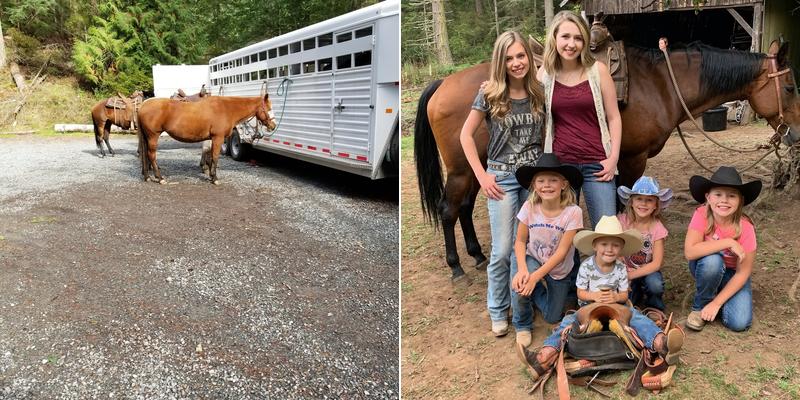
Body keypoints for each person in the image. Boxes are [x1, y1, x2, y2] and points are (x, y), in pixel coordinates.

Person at [516, 216, 683, 382]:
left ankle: (662, 343)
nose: (609, 249)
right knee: (568, 322)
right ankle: (544, 358)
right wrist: (594, 296)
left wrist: (615, 296)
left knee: (637, 317)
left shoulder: (620, 268)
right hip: (588, 307)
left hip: (617, 307)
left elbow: (624, 295)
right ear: (595, 245)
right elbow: (581, 293)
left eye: (615, 245)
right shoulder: (586, 266)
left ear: (621, 248)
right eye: (604, 244)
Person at [460, 31, 546, 337]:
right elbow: (465, 136)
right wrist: (481, 175)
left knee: (528, 246)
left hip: (533, 180)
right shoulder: (490, 94)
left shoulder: (539, 92)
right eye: (508, 58)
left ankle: (521, 304)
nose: (516, 63)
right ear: (501, 62)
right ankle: (497, 309)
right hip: (502, 179)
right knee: (501, 250)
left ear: (529, 58)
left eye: (521, 56)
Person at [537, 10, 623, 229]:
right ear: (554, 38)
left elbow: (614, 117)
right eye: (565, 37)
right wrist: (491, 87)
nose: (571, 44)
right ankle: (572, 266)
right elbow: (518, 94)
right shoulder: (544, 75)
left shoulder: (598, 71)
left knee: (607, 230)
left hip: (598, 164)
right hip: (562, 165)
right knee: (564, 231)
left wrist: (613, 158)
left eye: (578, 38)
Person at [511, 154, 583, 347]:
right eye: (541, 181)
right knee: (520, 284)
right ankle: (522, 323)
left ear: (564, 184)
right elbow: (519, 241)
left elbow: (561, 253)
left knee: (552, 317)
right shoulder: (529, 206)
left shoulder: (573, 212)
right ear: (534, 185)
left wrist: (536, 278)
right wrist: (523, 270)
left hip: (558, 266)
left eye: (553, 180)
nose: (547, 185)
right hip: (532, 257)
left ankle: (534, 291)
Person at [684, 166, 761, 332]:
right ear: (708, 197)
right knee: (713, 261)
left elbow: (743, 272)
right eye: (718, 194)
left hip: (733, 274)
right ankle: (700, 306)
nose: (724, 200)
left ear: (740, 200)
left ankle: (717, 298)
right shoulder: (701, 214)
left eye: (731, 195)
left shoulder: (746, 228)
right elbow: (690, 252)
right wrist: (728, 242)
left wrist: (717, 303)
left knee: (739, 323)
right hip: (707, 267)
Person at [617, 176, 673, 310]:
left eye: (649, 200)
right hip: (624, 269)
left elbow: (656, 263)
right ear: (631, 202)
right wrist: (623, 273)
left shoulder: (657, 228)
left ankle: (654, 307)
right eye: (639, 199)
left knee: (655, 285)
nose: (643, 204)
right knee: (626, 302)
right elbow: (616, 250)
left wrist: (630, 275)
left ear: (656, 205)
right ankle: (637, 294)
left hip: (648, 270)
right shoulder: (622, 221)